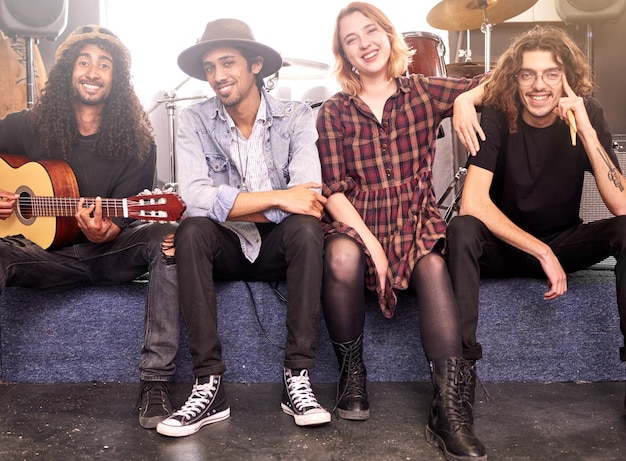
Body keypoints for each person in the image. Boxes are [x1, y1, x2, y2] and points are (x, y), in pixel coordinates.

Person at [316, 3, 487, 460]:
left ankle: (449, 411)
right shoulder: (333, 111)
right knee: (341, 256)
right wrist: (371, 243)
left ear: (389, 36)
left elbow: (498, 82)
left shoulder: (424, 92)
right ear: (344, 54)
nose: (364, 43)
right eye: (351, 39)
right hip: (357, 217)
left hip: (413, 216)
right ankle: (352, 375)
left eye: (370, 31)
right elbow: (332, 191)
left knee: (432, 265)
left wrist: (466, 98)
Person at [155, 18, 331, 438]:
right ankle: (208, 385)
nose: (218, 76)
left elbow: (306, 197)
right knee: (192, 231)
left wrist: (236, 206)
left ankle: (298, 377)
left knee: (306, 229)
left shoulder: (297, 116)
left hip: (278, 248)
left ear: (255, 65)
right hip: (227, 248)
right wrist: (275, 198)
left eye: (228, 63)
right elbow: (194, 197)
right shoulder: (195, 119)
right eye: (210, 67)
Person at [0, 25, 181, 429]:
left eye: (104, 64)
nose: (92, 71)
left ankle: (155, 383)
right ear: (68, 71)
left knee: (167, 234)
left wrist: (108, 230)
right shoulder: (30, 126)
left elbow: (124, 219)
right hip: (43, 257)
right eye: (84, 62)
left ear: (117, 77)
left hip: (108, 255)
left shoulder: (139, 142)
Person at [446, 24, 626, 414]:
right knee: (461, 229)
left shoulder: (588, 111)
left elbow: (621, 205)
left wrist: (589, 132)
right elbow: (472, 203)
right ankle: (460, 374)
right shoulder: (497, 113)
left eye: (551, 74)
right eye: (527, 74)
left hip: (564, 241)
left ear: (568, 80)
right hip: (502, 245)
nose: (538, 85)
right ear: (515, 79)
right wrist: (540, 251)